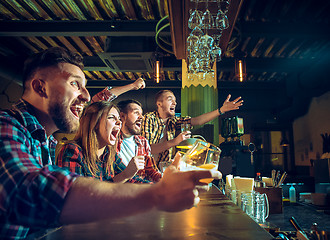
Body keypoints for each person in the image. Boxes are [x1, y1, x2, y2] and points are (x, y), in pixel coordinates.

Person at [0, 47, 221, 240]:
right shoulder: (5, 126)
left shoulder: (44, 141)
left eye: (85, 86)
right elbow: (28, 192)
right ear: (40, 87)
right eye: (75, 84)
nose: (86, 96)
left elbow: (122, 182)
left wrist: (167, 185)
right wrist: (157, 195)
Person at [141, 89, 243, 166]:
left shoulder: (173, 121)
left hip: (164, 168)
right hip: (148, 168)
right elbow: (148, 149)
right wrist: (175, 141)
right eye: (170, 99)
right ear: (159, 104)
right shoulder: (149, 119)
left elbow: (197, 121)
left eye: (175, 101)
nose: (174, 103)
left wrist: (221, 110)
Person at [56, 101, 150, 183]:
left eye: (119, 119)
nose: (119, 122)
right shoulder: (73, 150)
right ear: (95, 123)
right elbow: (78, 195)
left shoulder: (109, 153)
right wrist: (124, 175)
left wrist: (157, 188)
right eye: (111, 117)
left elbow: (132, 180)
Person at [116, 99, 162, 183]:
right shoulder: (112, 141)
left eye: (141, 114)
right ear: (122, 116)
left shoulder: (143, 141)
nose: (142, 117)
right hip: (120, 190)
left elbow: (151, 171)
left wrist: (164, 178)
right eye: (136, 113)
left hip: (140, 189)